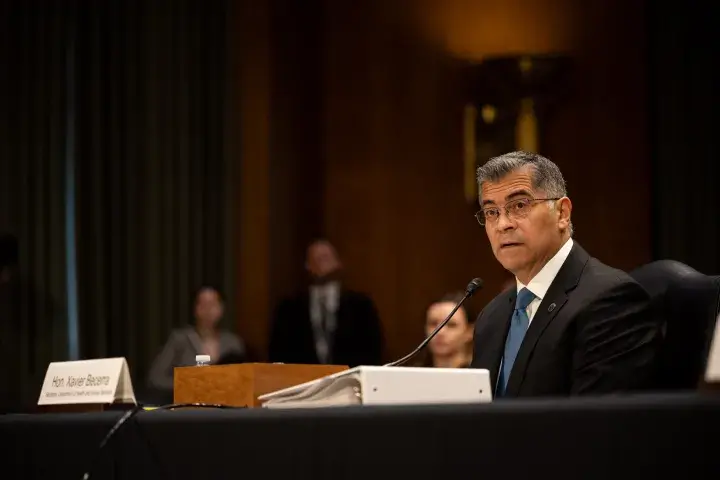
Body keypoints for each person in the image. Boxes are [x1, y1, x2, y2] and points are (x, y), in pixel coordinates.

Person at [470, 151, 662, 397]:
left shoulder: (611, 302)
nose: (503, 224)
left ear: (562, 213)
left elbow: (596, 424)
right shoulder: (491, 318)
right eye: (491, 212)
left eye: (519, 205)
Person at [268, 239, 384, 366]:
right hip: (303, 381)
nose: (321, 263)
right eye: (315, 259)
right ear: (307, 265)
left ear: (339, 262)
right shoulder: (289, 308)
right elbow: (278, 353)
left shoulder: (361, 306)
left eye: (325, 258)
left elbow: (373, 350)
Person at [147, 286, 246, 400]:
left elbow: (244, 381)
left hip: (226, 406)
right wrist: (189, 384)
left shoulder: (232, 343)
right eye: (203, 305)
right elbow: (156, 378)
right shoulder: (179, 339)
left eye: (213, 305)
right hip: (187, 407)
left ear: (221, 309)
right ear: (195, 309)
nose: (208, 310)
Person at [416, 292, 474, 368]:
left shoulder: (481, 376)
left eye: (451, 325)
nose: (440, 332)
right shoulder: (412, 375)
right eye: (433, 323)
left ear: (469, 332)